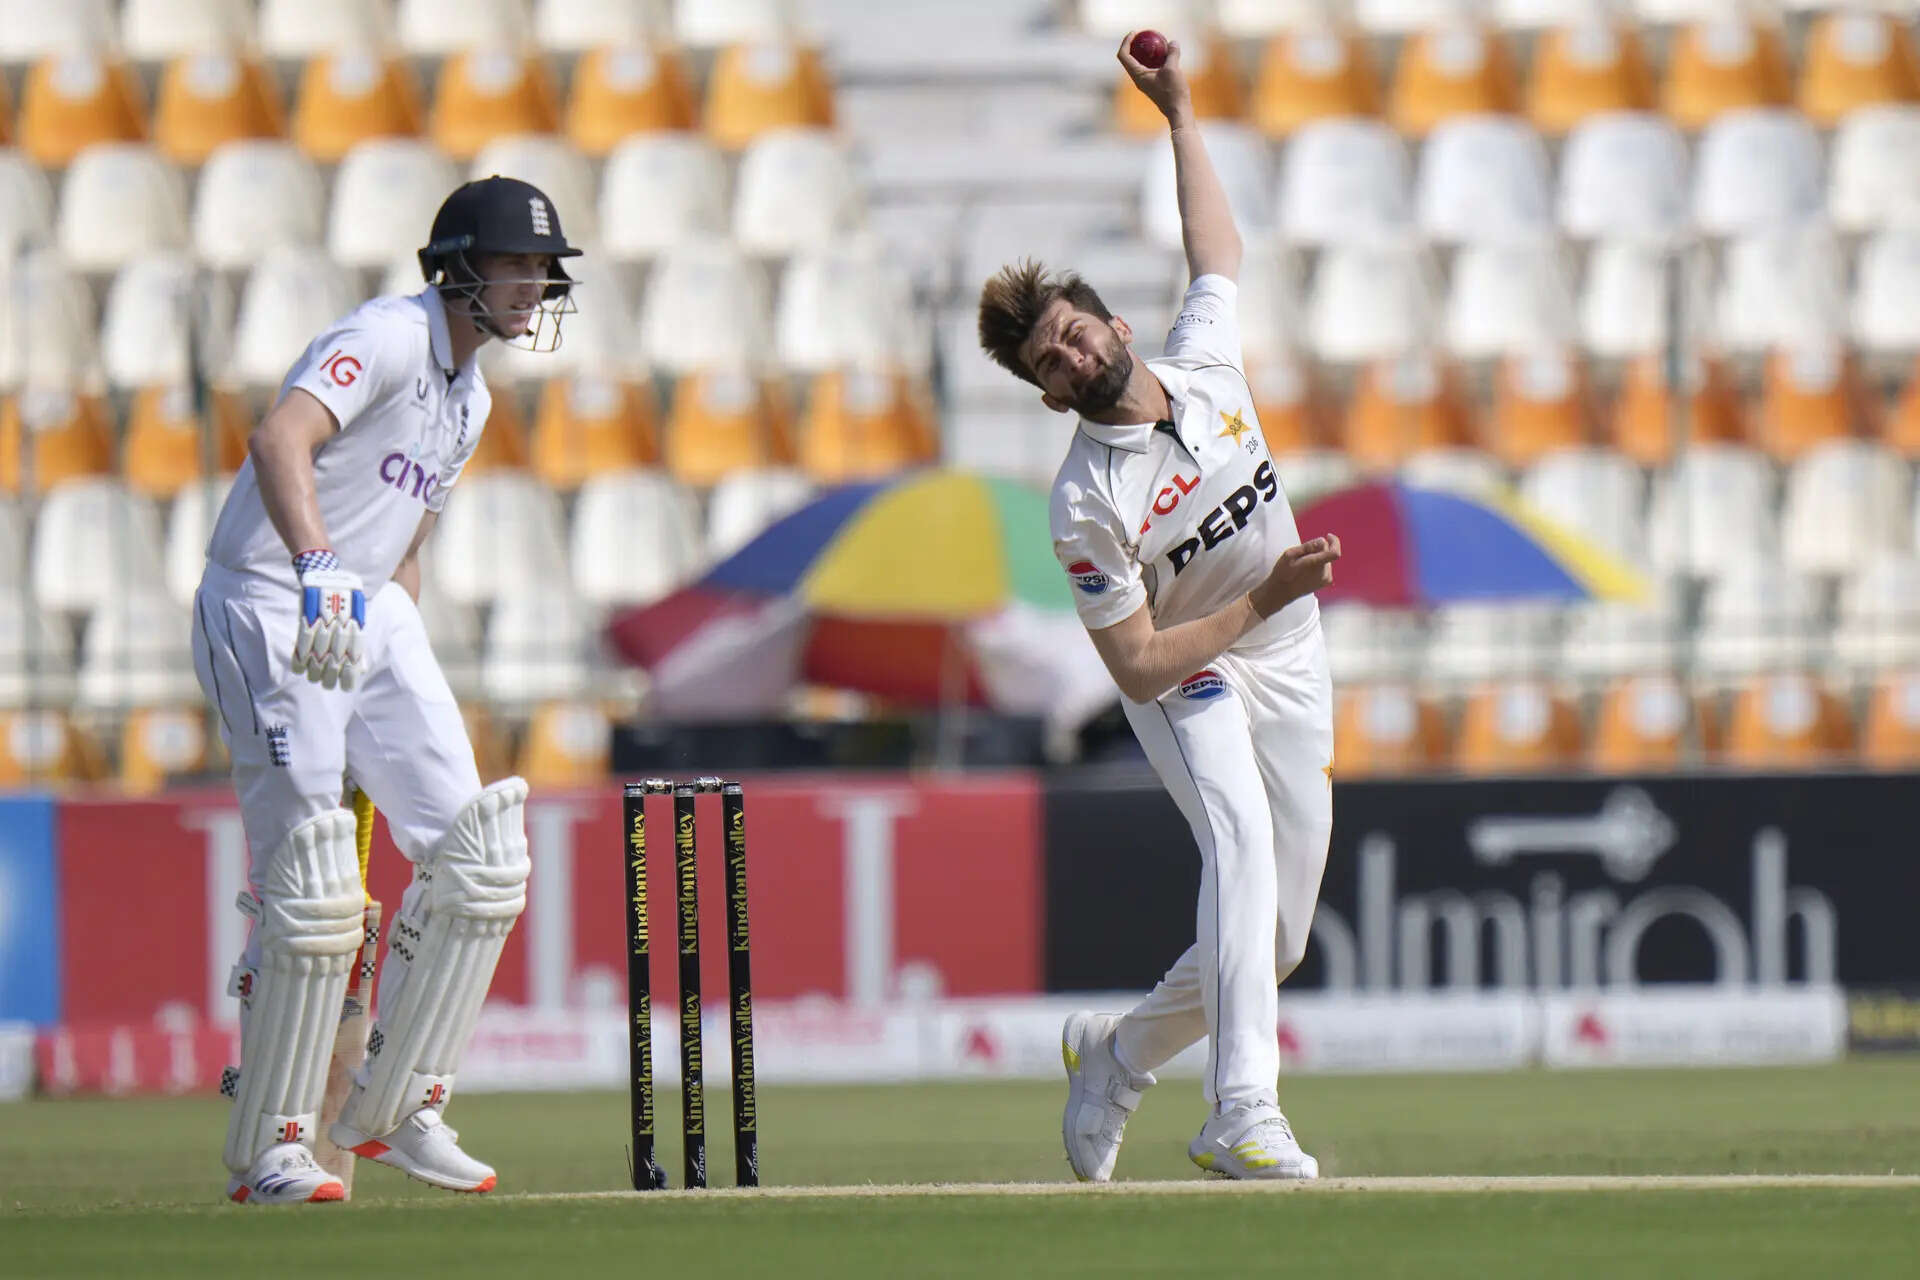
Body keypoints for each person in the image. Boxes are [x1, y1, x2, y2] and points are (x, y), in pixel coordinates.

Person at [976, 35, 1341, 1182]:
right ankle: (1242, 1111)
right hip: (1193, 672)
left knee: (1273, 938)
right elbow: (1134, 662)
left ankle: (1117, 1053)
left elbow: (1216, 249)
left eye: (1078, 329)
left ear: (1114, 324)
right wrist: (1258, 602)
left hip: (1290, 646)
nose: (1074, 353)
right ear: (1047, 393)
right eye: (1051, 358)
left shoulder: (1208, 363)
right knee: (1234, 843)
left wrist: (1180, 113)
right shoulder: (1087, 499)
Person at [191, 176, 581, 1204]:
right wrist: (317, 564)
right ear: (461, 265)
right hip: (271, 597)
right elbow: (280, 439)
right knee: (313, 881)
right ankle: (275, 1141)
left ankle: (396, 1104)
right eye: (521, 266)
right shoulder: (391, 335)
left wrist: (378, 632)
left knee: (479, 855)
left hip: (365, 606)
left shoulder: (475, 394)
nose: (539, 286)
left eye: (546, 270)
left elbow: (407, 545)